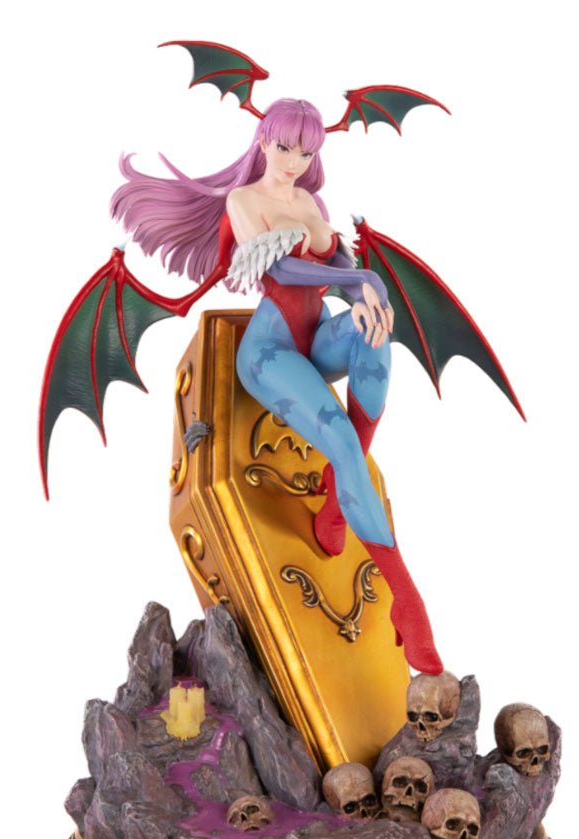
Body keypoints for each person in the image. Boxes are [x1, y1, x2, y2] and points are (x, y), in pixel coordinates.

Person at [112, 98, 443, 676]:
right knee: (342, 441)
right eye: (285, 147)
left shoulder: (310, 202)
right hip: (269, 352)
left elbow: (343, 267)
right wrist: (361, 278)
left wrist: (370, 294)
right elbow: (283, 272)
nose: (294, 161)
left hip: (315, 337)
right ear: (263, 141)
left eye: (307, 152)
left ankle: (338, 499)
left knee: (377, 336)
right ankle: (407, 601)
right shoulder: (243, 201)